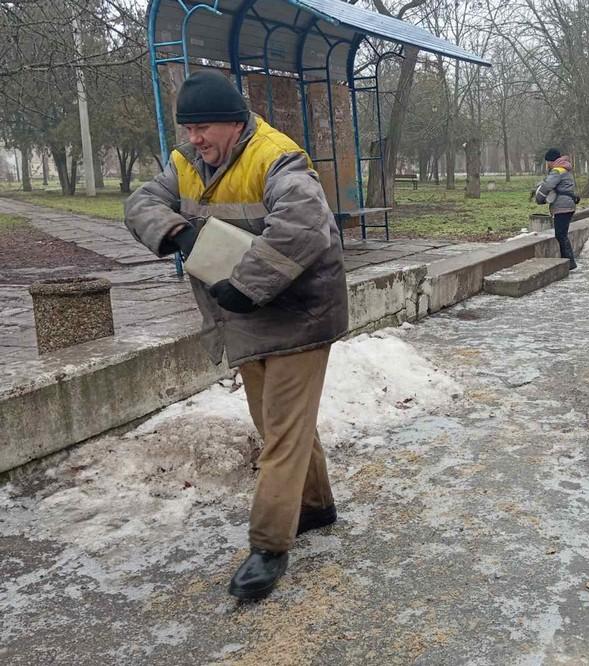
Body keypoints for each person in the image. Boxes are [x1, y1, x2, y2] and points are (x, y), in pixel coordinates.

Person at [124, 69, 349, 599]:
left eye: (203, 127)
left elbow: (302, 226)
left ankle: (269, 546)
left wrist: (246, 283)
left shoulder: (278, 158)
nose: (195, 138)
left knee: (282, 433)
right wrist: (179, 232)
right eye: (188, 128)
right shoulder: (185, 163)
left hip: (300, 315)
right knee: (278, 424)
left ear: (234, 122)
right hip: (244, 316)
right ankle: (316, 506)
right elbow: (140, 203)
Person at [535, 148, 579, 269]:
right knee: (562, 234)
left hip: (562, 206)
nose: (547, 164)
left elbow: (547, 185)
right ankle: (567, 262)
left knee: (561, 235)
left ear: (551, 160)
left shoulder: (557, 170)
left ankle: (569, 263)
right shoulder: (565, 169)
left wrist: (539, 198)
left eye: (547, 162)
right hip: (568, 205)